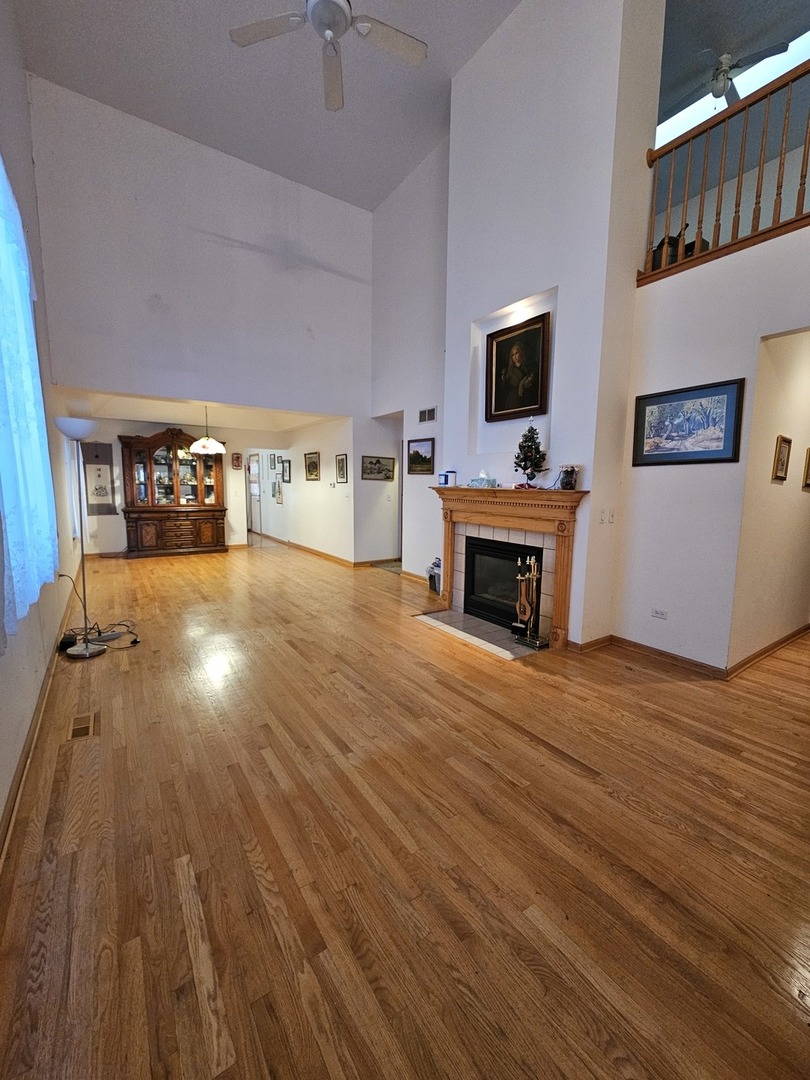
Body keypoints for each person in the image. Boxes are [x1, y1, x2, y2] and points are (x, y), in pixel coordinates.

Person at [499, 340, 535, 411]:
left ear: (521, 353)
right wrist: (503, 378)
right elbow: (505, 386)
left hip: (524, 399)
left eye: (516, 353)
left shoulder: (527, 369)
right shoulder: (509, 371)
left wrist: (526, 382)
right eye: (512, 355)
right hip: (512, 399)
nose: (514, 357)